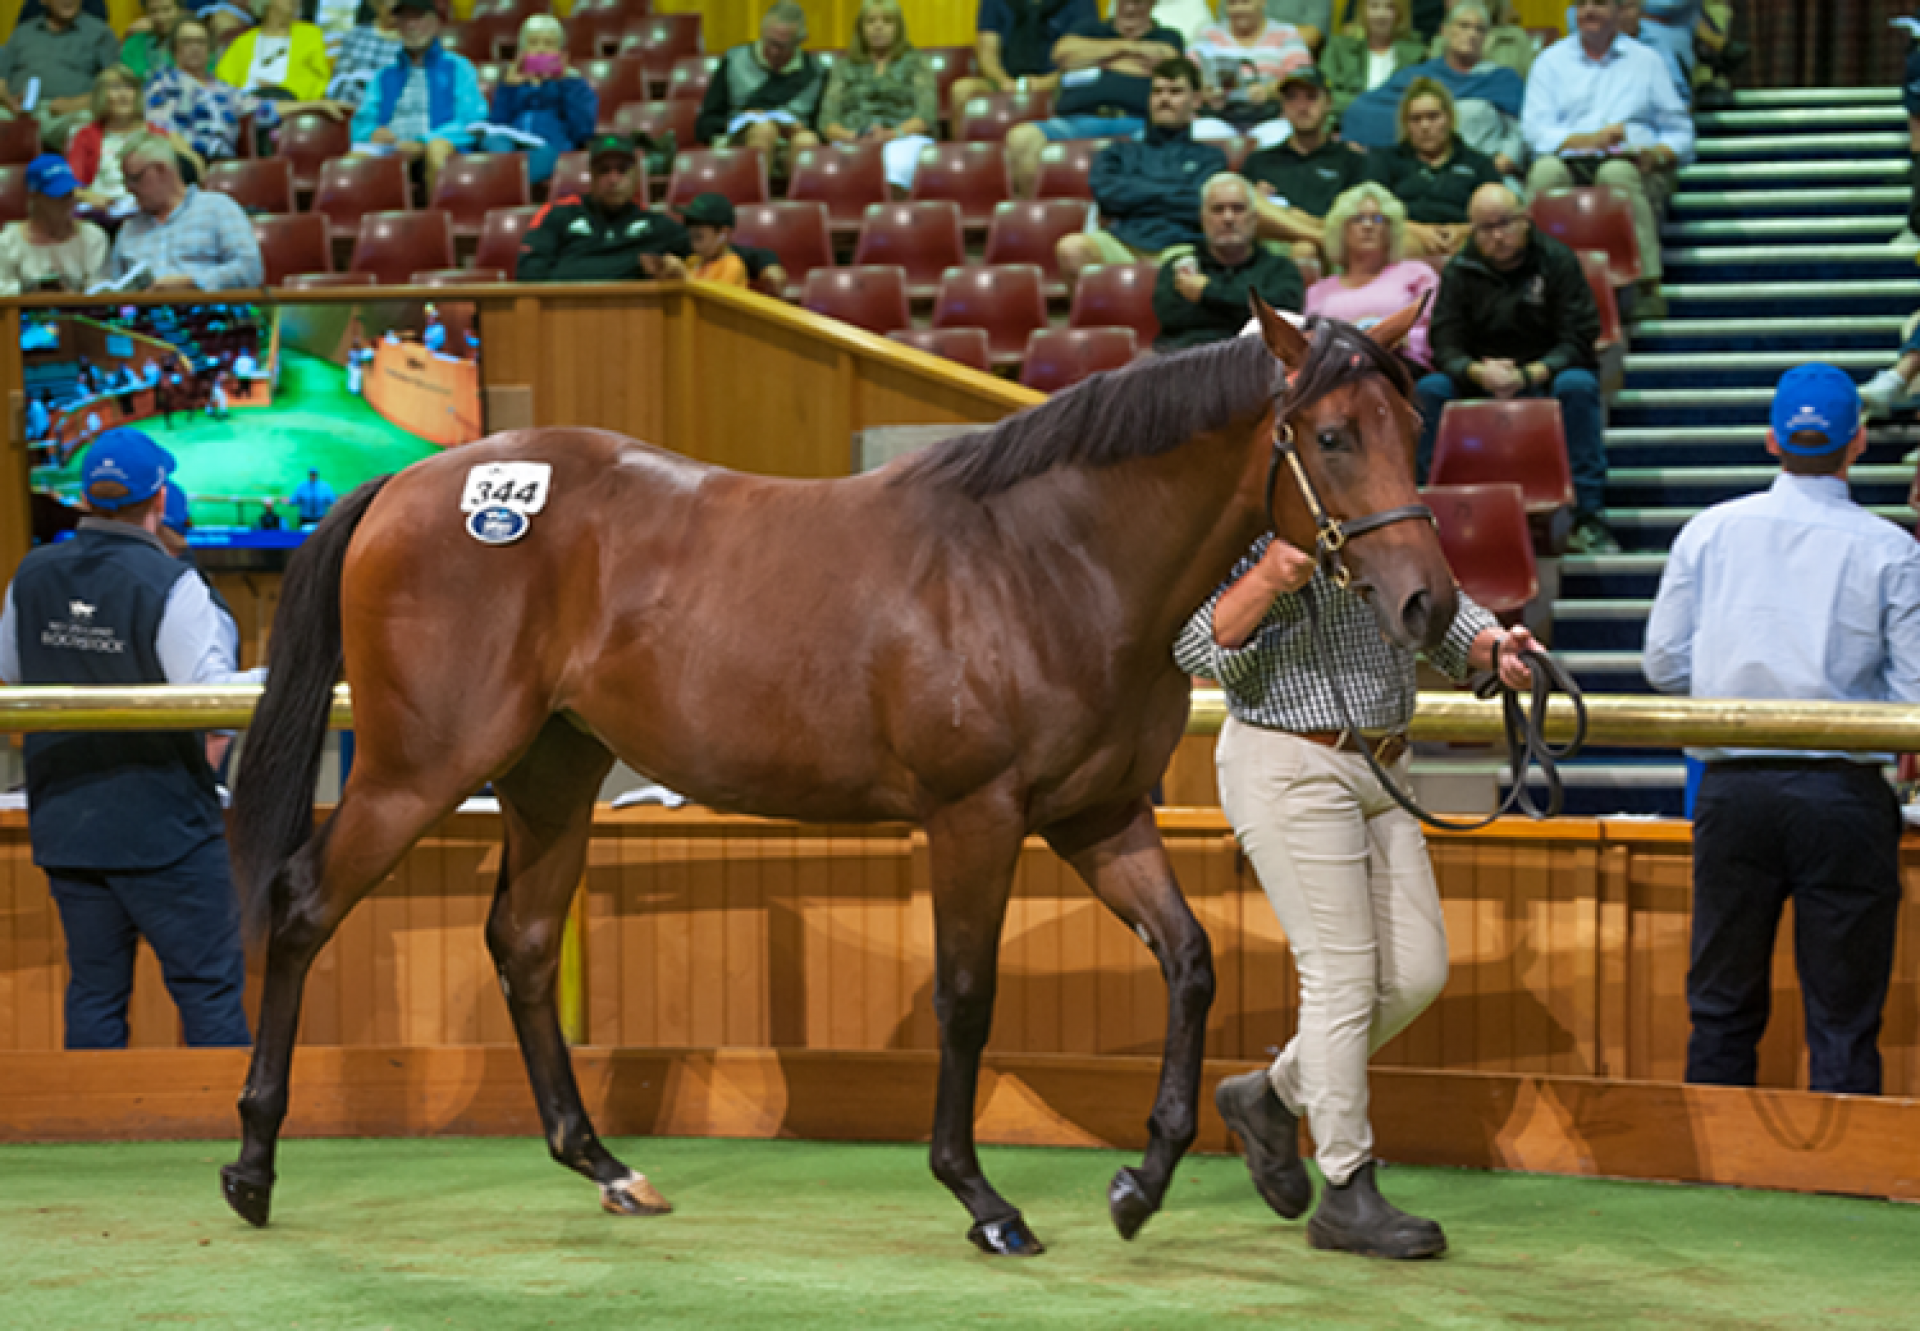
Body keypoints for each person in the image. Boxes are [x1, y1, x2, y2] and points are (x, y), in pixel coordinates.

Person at [1176, 474, 1539, 1260]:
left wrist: (1492, 647)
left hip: (1383, 764)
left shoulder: (1382, 502)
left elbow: (1438, 612)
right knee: (1341, 975)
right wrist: (1271, 576)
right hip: (1288, 761)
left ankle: (1270, 1096)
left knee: (1416, 972)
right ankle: (1345, 1187)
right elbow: (1196, 648)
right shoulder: (1238, 515)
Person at [1643, 365, 1920, 1097]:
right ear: (1858, 442)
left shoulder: (1708, 532)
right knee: (1844, 1014)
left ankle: (1711, 1177)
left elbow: (1663, 666)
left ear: (1770, 439)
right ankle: (1842, 1187)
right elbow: (1914, 697)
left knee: (1721, 1005)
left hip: (1733, 790)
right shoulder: (1891, 549)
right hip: (1844, 793)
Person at [0, 429, 250, 1051]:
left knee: (94, 989)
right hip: (165, 827)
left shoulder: (30, 573)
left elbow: (11, 677)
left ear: (85, 496)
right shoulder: (172, 584)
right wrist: (273, 684)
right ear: (159, 498)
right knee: (208, 989)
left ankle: (90, 1142)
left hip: (66, 821)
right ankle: (222, 1136)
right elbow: (210, 700)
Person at [1415, 181, 1616, 552]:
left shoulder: (1558, 261)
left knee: (1578, 385)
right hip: (1479, 376)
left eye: (1505, 223)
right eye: (1485, 228)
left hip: (1545, 373)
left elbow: (1578, 338)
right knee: (1430, 389)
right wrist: (1478, 372)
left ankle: (1588, 515)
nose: (1498, 236)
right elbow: (1444, 345)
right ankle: (1420, 514)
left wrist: (1529, 373)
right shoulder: (1459, 270)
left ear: (1526, 220)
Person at [1523, 0, 1693, 321]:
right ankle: (1534, 280)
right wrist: (1588, 141)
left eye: (1599, 3)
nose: (1588, 11)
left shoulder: (1647, 61)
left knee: (1616, 174)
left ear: (1620, 11)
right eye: (1581, 4)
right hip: (1567, 160)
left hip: (1632, 164)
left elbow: (1681, 134)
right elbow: (1534, 131)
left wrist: (1657, 154)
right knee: (1544, 173)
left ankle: (1645, 286)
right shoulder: (1550, 61)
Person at [1055, 58, 1226, 289]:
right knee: (1072, 248)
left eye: (1175, 92)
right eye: (1157, 92)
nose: (1164, 99)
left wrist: (1137, 191)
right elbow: (1108, 198)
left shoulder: (1211, 157)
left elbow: (1202, 206)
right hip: (1124, 244)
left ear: (1196, 100)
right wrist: (1177, 191)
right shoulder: (1119, 153)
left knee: (1196, 268)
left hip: (1182, 248)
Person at [1003, 0, 1186, 197]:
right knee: (1021, 138)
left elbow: (1168, 59)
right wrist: (1128, 49)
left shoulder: (1167, 36)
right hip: (1074, 122)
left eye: (1138, 2)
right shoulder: (1089, 28)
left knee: (1166, 144)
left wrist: (1096, 59)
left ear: (1152, 4)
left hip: (1137, 124)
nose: (1130, 8)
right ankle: (1035, 215)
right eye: (1125, 2)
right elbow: (1062, 53)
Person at [1343, 1, 1526, 173]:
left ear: (1487, 37)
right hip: (1417, 171)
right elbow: (1367, 107)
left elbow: (1519, 129)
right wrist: (1356, 136)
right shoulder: (1419, 75)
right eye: (1463, 26)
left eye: (1479, 29)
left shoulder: (1502, 79)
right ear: (1444, 31)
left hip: (1482, 170)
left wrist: (1503, 161)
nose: (1472, 34)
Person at [349, 0, 487, 196]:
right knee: (352, 161)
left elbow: (472, 121)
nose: (411, 25)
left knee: (436, 150)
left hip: (438, 145)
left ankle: (438, 221)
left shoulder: (458, 67)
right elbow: (361, 124)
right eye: (405, 18)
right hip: (392, 148)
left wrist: (422, 142)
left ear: (436, 23)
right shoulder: (383, 75)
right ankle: (367, 225)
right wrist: (372, 133)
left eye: (418, 17)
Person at [1152, 172, 1303, 350]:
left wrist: (1207, 292)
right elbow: (1173, 318)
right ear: (1203, 219)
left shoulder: (1280, 269)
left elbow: (1282, 318)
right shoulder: (1180, 266)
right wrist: (1245, 312)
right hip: (1190, 364)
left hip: (1258, 365)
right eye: (1218, 209)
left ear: (1254, 218)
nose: (1228, 218)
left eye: (1238, 208)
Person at [516, 132, 692, 282]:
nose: (613, 180)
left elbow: (704, 250)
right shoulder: (558, 214)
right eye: (604, 170)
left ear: (636, 176)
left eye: (622, 170)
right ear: (591, 176)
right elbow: (529, 273)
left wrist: (677, 269)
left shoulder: (656, 225)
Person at [108, 133, 265, 291]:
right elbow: (113, 287)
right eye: (125, 181)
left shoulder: (217, 207)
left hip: (207, 310)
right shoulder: (129, 228)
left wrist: (191, 283)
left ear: (162, 169)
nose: (129, 188)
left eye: (134, 178)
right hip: (142, 314)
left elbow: (250, 270)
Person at [1305, 183, 1439, 365]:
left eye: (1377, 219)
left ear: (1390, 229)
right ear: (1342, 230)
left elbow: (1436, 331)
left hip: (1399, 364)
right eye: (1357, 219)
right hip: (1338, 371)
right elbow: (1309, 343)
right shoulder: (1319, 290)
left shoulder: (1416, 274)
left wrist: (1397, 337)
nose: (1368, 226)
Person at [1242, 66, 1369, 259]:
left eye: (1311, 97)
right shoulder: (1259, 161)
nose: (1301, 107)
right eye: (1292, 98)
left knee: (1305, 249)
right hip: (1267, 251)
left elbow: (1357, 223)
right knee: (1247, 199)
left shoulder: (1352, 161)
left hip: (1329, 254)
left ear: (1329, 103)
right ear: (1283, 106)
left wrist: (1286, 214)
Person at [1364, 78, 1501, 256]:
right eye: (1416, 119)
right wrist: (1416, 230)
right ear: (1406, 125)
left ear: (1449, 118)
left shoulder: (1478, 163)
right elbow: (1371, 212)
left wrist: (1465, 230)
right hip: (1406, 238)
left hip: (1464, 239)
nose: (1425, 126)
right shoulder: (1386, 160)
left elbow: (1498, 215)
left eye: (1433, 116)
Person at [818, 0, 938, 195]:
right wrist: (855, 137)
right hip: (853, 139)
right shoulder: (843, 67)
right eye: (870, 21)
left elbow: (925, 115)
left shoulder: (917, 62)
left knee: (894, 165)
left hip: (904, 138)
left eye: (887, 21)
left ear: (898, 27)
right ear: (861, 28)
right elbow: (827, 120)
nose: (878, 26)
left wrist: (890, 134)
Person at [695, 0, 825, 174]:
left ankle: (803, 200)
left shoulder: (815, 72)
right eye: (769, 42)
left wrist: (799, 127)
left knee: (807, 141)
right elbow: (705, 124)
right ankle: (754, 197)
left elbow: (823, 128)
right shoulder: (734, 60)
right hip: (741, 139)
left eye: (782, 46)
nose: (773, 51)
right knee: (764, 130)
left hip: (790, 143)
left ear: (799, 41)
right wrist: (740, 122)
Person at [481, 13, 597, 185]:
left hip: (550, 148)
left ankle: (507, 186)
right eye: (533, 43)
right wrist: (509, 88)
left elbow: (583, 130)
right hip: (512, 148)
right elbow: (498, 124)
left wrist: (565, 83)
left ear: (560, 52)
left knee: (542, 154)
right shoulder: (510, 83)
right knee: (493, 141)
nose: (541, 50)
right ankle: (507, 183)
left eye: (549, 44)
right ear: (522, 51)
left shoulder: (574, 84)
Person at [946, 0, 1097, 125]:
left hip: (1059, 84)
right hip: (1005, 82)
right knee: (962, 90)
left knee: (1082, 88)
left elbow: (1086, 57)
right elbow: (987, 52)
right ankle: (970, 156)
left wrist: (1046, 83)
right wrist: (1003, 81)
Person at [1186, 0, 1311, 148]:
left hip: (1270, 117)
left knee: (1281, 135)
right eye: (1233, 3)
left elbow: (1304, 78)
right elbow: (1186, 75)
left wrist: (1270, 91)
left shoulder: (1286, 33)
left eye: (1245, 2)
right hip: (1218, 116)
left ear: (1262, 2)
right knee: (1200, 131)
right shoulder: (1208, 34)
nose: (1239, 9)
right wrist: (1204, 90)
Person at [0, 0, 121, 152]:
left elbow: (116, 86)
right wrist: (9, 102)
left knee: (88, 126)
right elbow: (1, 80)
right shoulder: (22, 33)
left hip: (69, 115)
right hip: (16, 113)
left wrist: (75, 103)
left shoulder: (100, 33)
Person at [69, 67, 190, 208]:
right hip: (103, 213)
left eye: (129, 87)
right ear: (101, 96)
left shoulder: (156, 132)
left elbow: (176, 179)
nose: (123, 94)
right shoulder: (86, 135)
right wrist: (90, 197)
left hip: (151, 209)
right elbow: (72, 186)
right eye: (115, 88)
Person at [0, 155, 110, 295]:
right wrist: (31, 293)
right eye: (58, 195)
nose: (68, 202)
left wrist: (71, 298)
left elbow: (101, 294)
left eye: (70, 193)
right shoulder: (8, 243)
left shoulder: (92, 237)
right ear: (34, 196)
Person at [215, 0, 334, 110]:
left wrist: (278, 86)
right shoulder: (242, 41)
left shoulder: (310, 34)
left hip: (293, 103)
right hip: (248, 104)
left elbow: (321, 78)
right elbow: (223, 81)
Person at [1320, 0, 1425, 122]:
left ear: (1400, 13)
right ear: (1362, 11)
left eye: (1390, 7)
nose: (1381, 14)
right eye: (1374, 6)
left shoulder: (1417, 55)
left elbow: (1420, 101)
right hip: (1344, 127)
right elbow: (1323, 96)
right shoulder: (1338, 49)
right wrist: (1369, 104)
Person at [324, 0, 404, 111]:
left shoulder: (409, 42)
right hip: (349, 107)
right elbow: (339, 79)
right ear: (377, 6)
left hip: (389, 110)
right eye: (388, 3)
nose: (395, 8)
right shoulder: (356, 34)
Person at [1426, 0, 1531, 78]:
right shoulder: (1443, 39)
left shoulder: (1515, 37)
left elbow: (1528, 86)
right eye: (1464, 25)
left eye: (1480, 29)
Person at [669, 192, 750, 287]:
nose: (694, 244)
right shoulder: (693, 261)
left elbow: (714, 299)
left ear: (723, 233)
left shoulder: (732, 267)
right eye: (691, 237)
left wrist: (685, 277)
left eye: (699, 237)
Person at [119, 0, 183, 82]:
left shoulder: (193, 40)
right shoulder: (133, 43)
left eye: (167, 9)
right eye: (153, 11)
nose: (160, 17)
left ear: (180, 10)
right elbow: (125, 80)